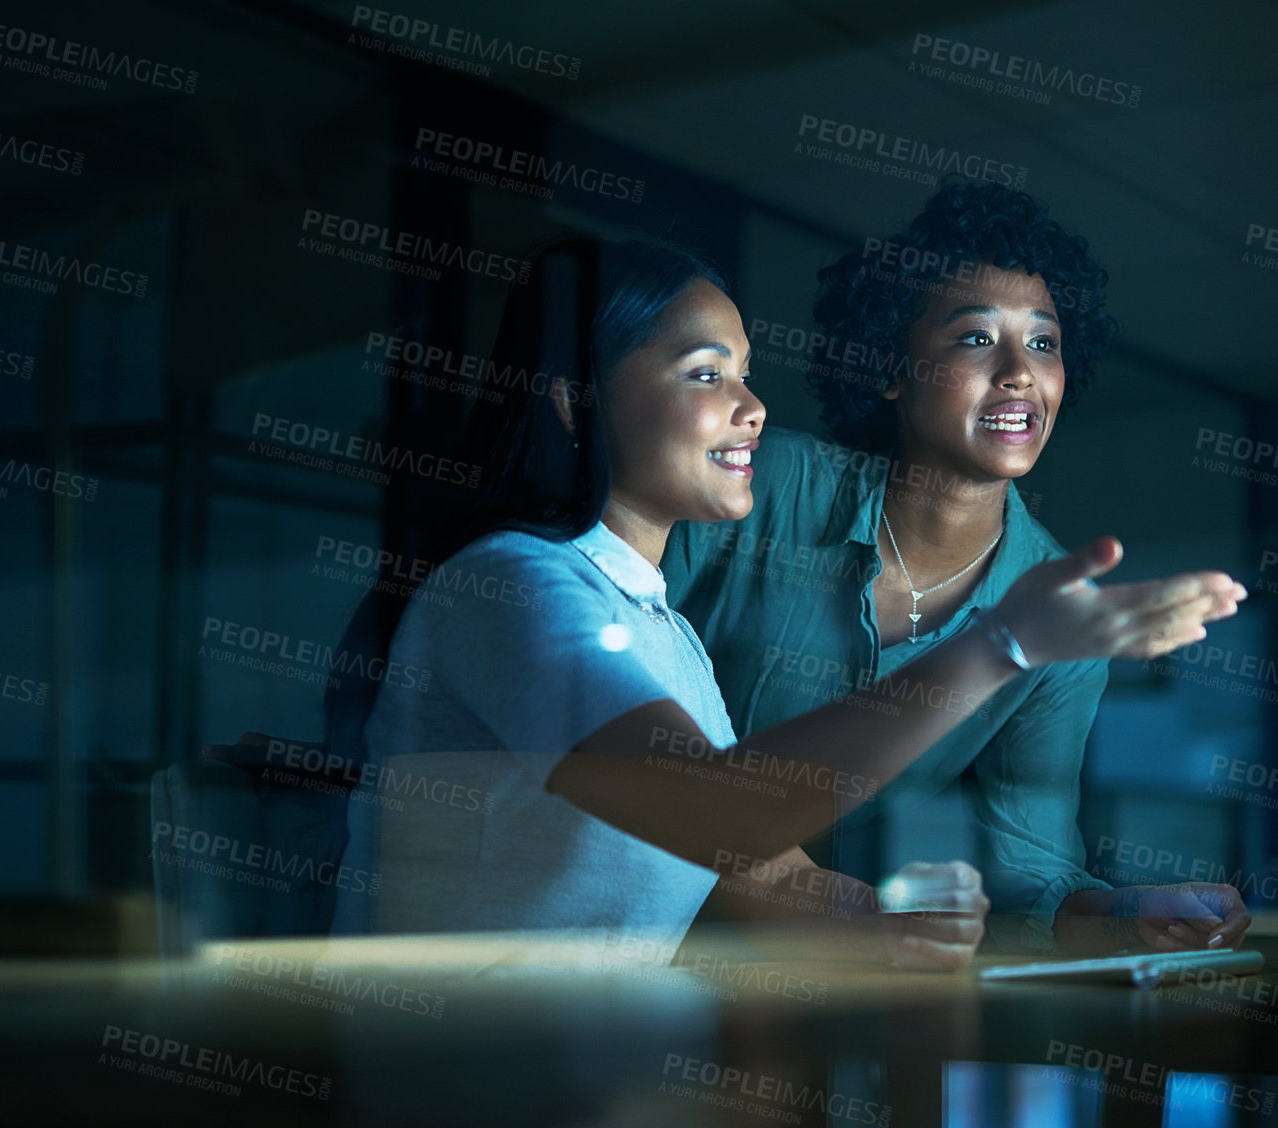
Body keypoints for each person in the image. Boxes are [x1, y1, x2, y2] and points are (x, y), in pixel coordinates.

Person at [323, 238, 1228, 969]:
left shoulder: (662, 632)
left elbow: (754, 864)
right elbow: (722, 811)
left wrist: (901, 925)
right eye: (708, 374)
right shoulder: (519, 586)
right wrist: (1001, 644)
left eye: (747, 375)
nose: (754, 407)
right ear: (575, 401)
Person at [662, 183, 1253, 956]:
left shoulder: (1059, 610)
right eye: (977, 339)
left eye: (1044, 343)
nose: (1019, 372)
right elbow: (609, 727)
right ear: (891, 369)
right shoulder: (758, 485)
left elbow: (1029, 874)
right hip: (625, 935)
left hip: (828, 987)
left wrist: (1130, 913)